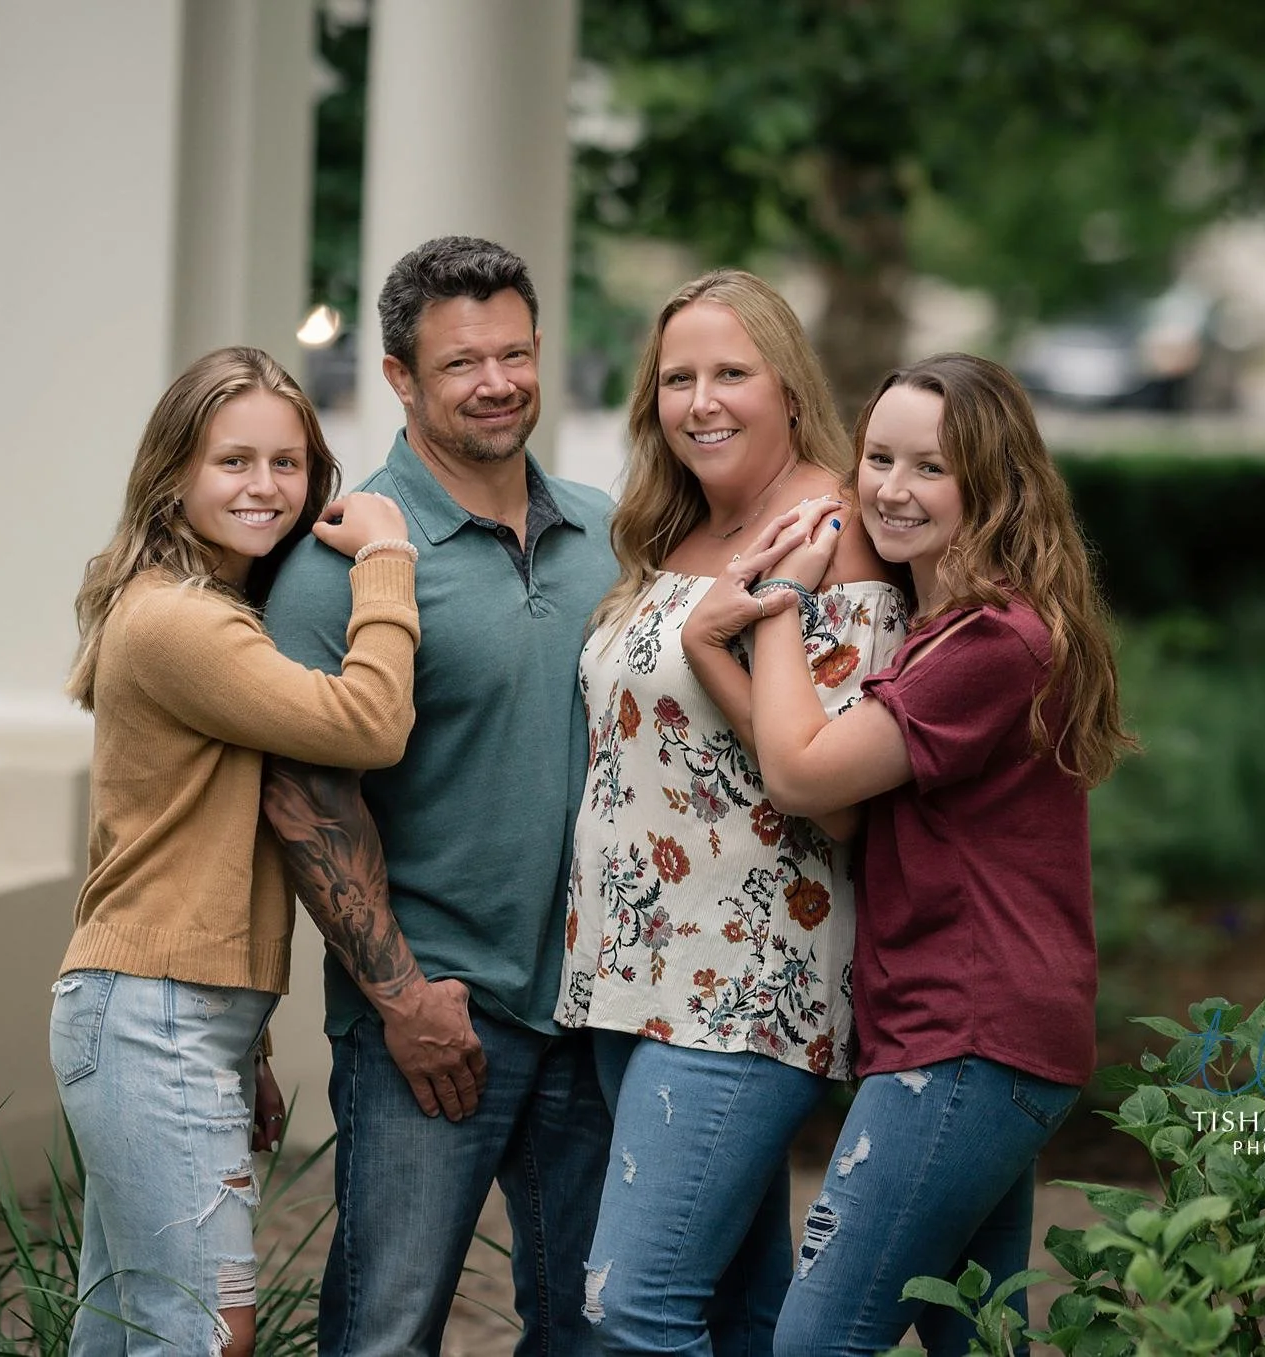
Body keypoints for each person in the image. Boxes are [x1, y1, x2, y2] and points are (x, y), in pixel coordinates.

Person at [700, 353, 1134, 1356]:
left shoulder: (994, 642)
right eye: (878, 459)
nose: (891, 489)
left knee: (816, 1339)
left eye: (929, 467)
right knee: (973, 1335)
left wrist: (775, 608)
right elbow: (834, 797)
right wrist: (715, 655)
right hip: (965, 1034)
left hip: (968, 1036)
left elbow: (804, 777)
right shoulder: (939, 635)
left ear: (991, 484)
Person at [261, 236, 619, 1356]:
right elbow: (305, 797)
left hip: (595, 1014)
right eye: (463, 362)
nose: (499, 381)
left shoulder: (608, 535)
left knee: (589, 1329)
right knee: (386, 1330)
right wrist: (402, 997)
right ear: (401, 378)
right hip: (434, 1018)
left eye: (515, 352)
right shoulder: (344, 558)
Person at [557, 270, 907, 1354]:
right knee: (736, 1310)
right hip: (627, 973)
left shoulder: (834, 534)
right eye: (677, 379)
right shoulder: (672, 530)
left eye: (730, 373)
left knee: (633, 1305)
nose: (700, 401)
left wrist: (737, 635)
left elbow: (838, 799)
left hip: (745, 978)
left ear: (788, 387)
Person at [48, 346, 419, 1357]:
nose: (264, 487)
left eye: (286, 463)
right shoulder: (180, 622)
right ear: (174, 473)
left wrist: (243, 1042)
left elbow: (199, 847)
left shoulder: (208, 611)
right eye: (233, 462)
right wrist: (389, 560)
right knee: (208, 1332)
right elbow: (370, 721)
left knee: (128, 1329)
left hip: (169, 1009)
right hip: (149, 1011)